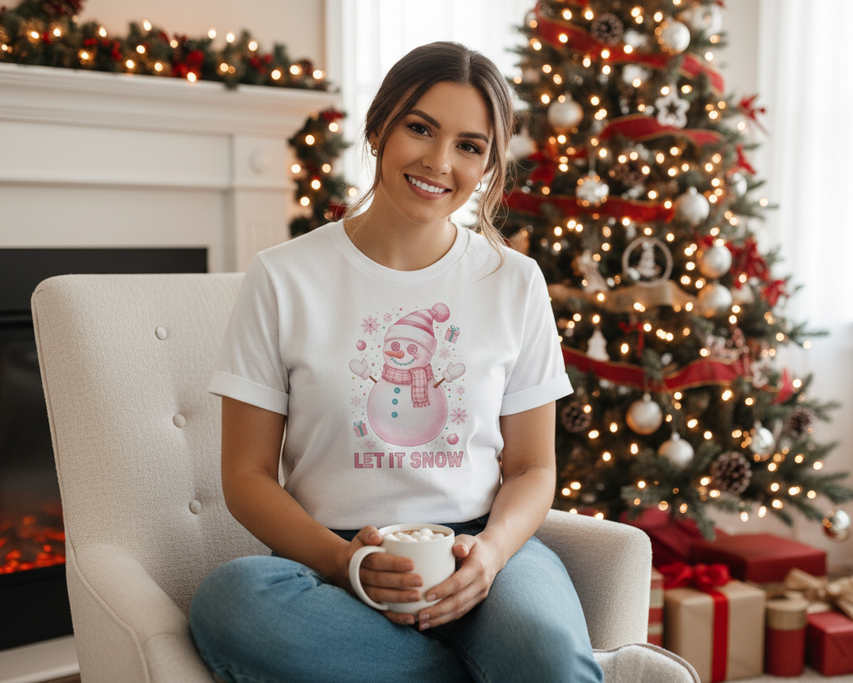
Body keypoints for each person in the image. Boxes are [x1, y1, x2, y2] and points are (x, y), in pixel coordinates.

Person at [188, 40, 599, 683]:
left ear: (488, 165)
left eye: (469, 146)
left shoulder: (515, 282)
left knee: (546, 655)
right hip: (334, 560)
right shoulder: (282, 277)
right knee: (231, 601)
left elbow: (532, 467)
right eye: (420, 128)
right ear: (379, 127)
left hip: (481, 551)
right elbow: (246, 475)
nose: (439, 162)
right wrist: (344, 563)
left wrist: (489, 557)